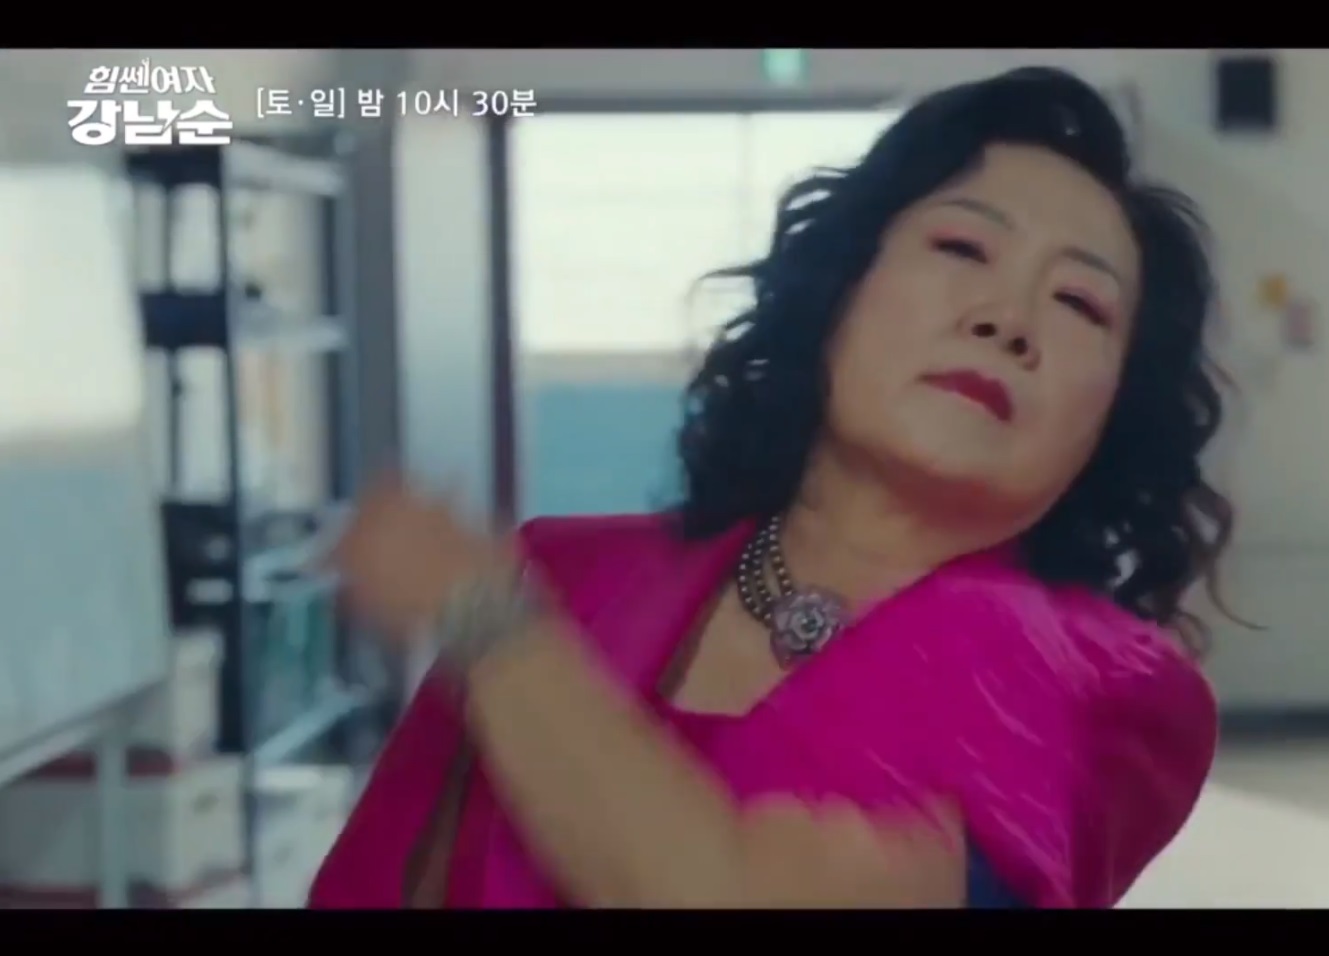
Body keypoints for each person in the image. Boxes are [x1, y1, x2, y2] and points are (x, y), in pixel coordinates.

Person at [309, 66, 1235, 910]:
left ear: (1114, 414)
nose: (1007, 320)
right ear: (835, 291)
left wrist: (491, 624)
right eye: (961, 247)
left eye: (1078, 304)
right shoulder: (560, 574)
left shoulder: (1100, 683)